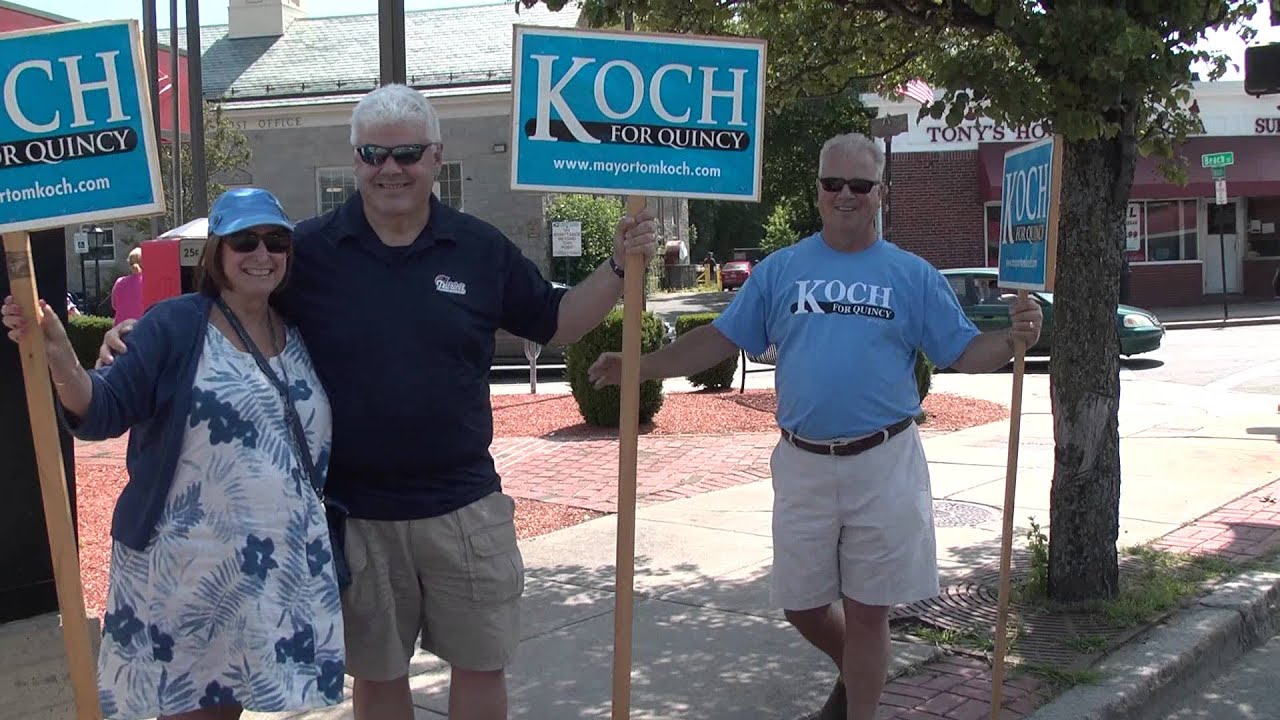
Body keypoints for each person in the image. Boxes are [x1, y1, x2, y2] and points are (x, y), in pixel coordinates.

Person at [99, 83, 658, 720]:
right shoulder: (304, 250)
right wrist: (139, 334)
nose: (391, 169)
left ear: (436, 157)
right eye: (373, 155)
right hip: (355, 512)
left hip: (465, 504)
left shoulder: (479, 248)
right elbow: (228, 304)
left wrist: (617, 268)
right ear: (356, 160)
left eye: (408, 154)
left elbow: (558, 322)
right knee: (379, 678)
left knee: (481, 664)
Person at [588, 133, 1043, 720]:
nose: (845, 195)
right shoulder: (782, 270)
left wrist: (1012, 340)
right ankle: (860, 672)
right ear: (819, 190)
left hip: (884, 463)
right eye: (833, 184)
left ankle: (861, 704)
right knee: (801, 605)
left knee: (868, 609)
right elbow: (718, 339)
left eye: (860, 185)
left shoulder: (912, 275)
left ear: (881, 191)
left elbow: (964, 351)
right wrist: (639, 366)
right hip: (802, 463)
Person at [4, 188, 345, 720]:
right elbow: (102, 409)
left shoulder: (300, 332)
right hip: (188, 566)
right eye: (244, 241)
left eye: (276, 241)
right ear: (217, 254)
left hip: (271, 563)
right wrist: (61, 357)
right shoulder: (176, 326)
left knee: (226, 707)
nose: (262, 254)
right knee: (188, 711)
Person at [111, 246, 145, 325]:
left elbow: (114, 305)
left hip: (120, 327)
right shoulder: (148, 282)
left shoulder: (119, 282)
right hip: (141, 327)